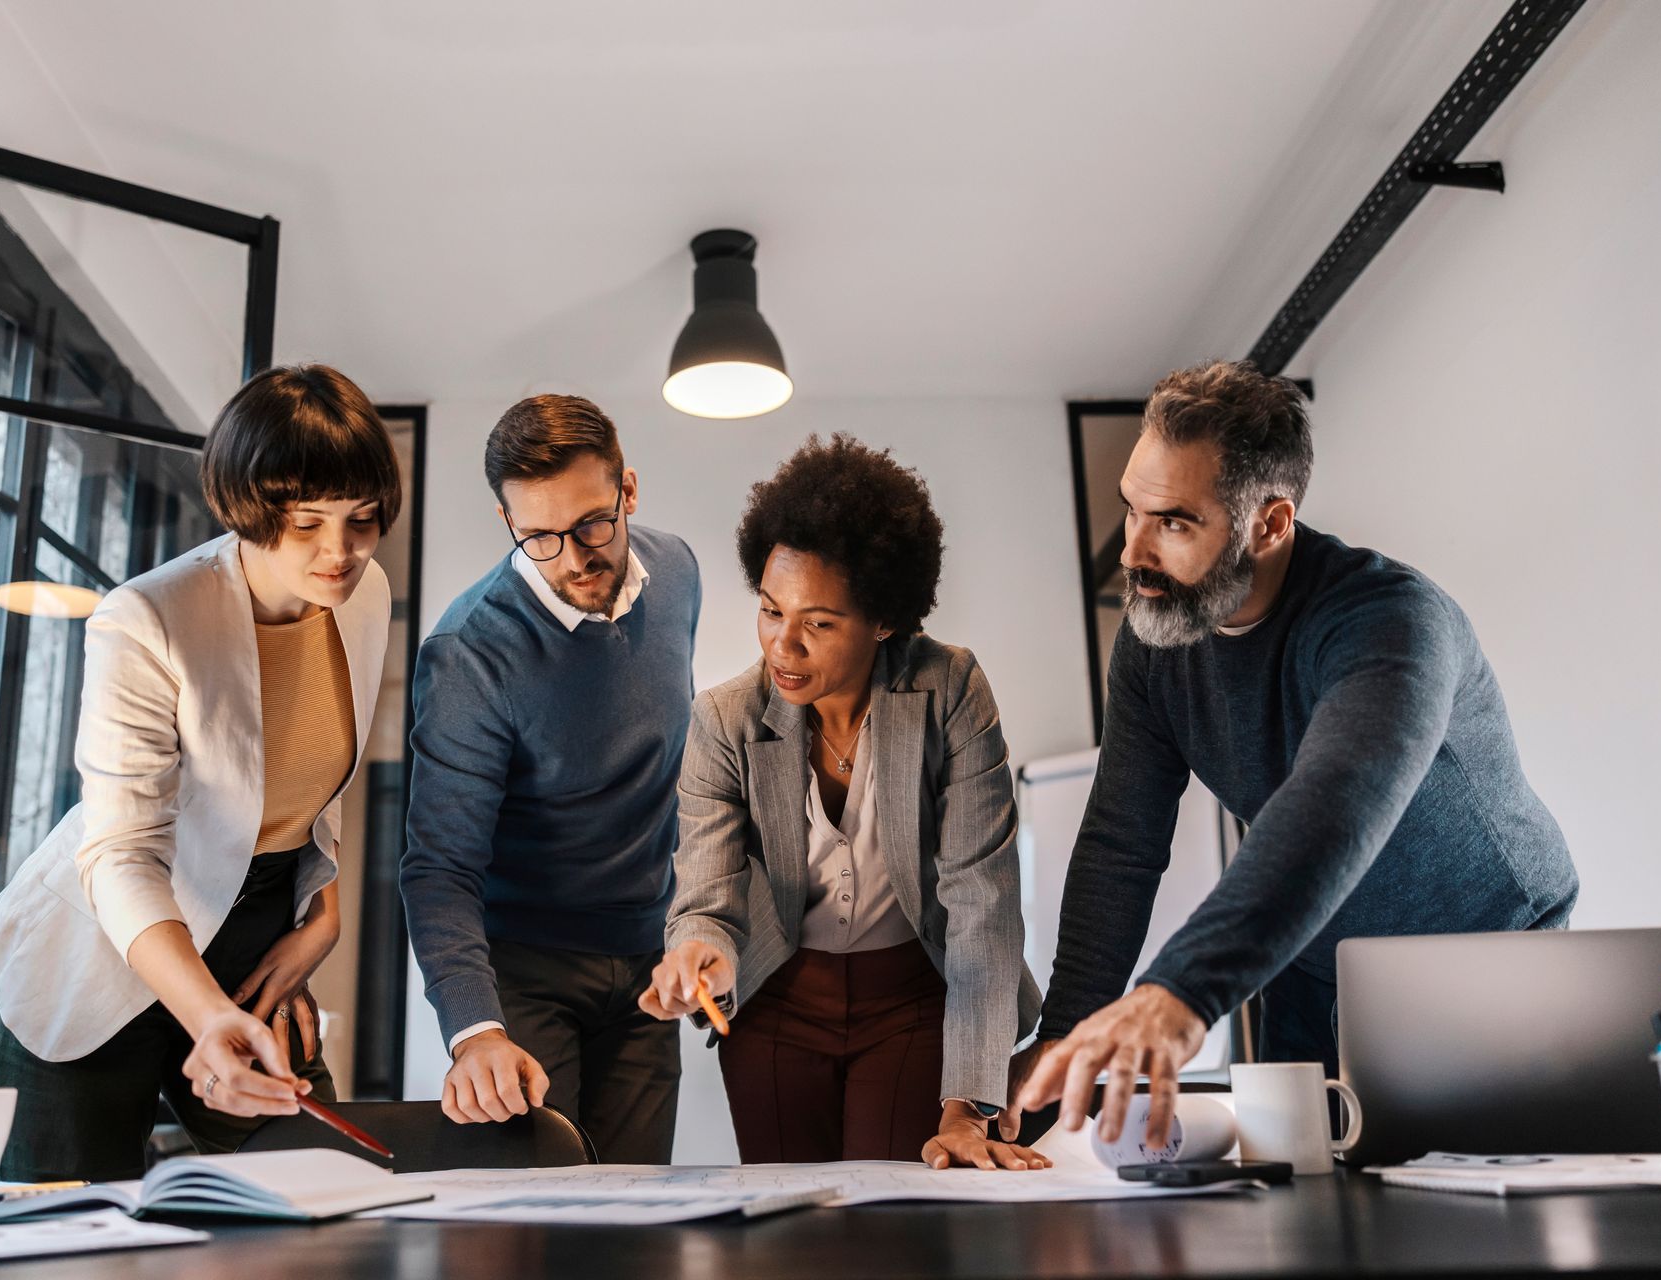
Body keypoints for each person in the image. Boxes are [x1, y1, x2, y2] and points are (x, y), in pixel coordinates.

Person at [1008, 359, 1579, 1150]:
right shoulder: (1154, 644)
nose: (1132, 552)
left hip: (1478, 955)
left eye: (1173, 521)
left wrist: (1181, 990)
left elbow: (1336, 801)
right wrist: (1060, 1046)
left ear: (1270, 524)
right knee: (1300, 1194)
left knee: (1466, 1209)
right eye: (1129, 511)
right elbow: (1120, 848)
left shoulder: (1391, 622)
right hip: (1311, 958)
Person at [0, 364, 399, 1181]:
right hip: (109, 949)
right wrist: (204, 1013)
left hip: (252, 937)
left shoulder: (365, 595)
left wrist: (323, 914)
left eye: (362, 519)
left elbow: (314, 784)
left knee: (320, 1196)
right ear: (247, 508)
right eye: (307, 522)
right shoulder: (149, 619)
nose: (339, 551)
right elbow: (121, 853)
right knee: (76, 1239)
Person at [642, 434, 1046, 1170]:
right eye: (770, 611)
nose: (782, 647)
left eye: (819, 624)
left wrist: (965, 1109)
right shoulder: (724, 718)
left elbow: (981, 899)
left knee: (896, 1223)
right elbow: (708, 891)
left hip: (914, 1004)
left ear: (885, 620)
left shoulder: (949, 689)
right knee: (789, 1229)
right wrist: (697, 950)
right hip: (777, 1002)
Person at [400, 395, 699, 1163]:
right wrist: (476, 1031)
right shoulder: (469, 654)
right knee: (537, 1216)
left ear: (628, 491)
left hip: (646, 962)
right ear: (508, 523)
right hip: (523, 972)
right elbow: (440, 867)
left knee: (639, 1216)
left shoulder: (678, 574)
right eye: (539, 536)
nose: (573, 558)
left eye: (594, 523)